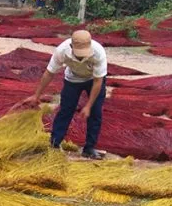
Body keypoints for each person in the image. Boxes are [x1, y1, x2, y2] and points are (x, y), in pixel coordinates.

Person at [22, 29, 108, 160]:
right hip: (72, 79)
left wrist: (88, 106)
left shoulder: (98, 52)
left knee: (95, 113)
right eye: (79, 53)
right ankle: (55, 143)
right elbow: (49, 73)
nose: (82, 56)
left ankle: (89, 149)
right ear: (71, 46)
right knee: (66, 110)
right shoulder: (62, 50)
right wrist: (37, 95)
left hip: (93, 80)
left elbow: (98, 81)